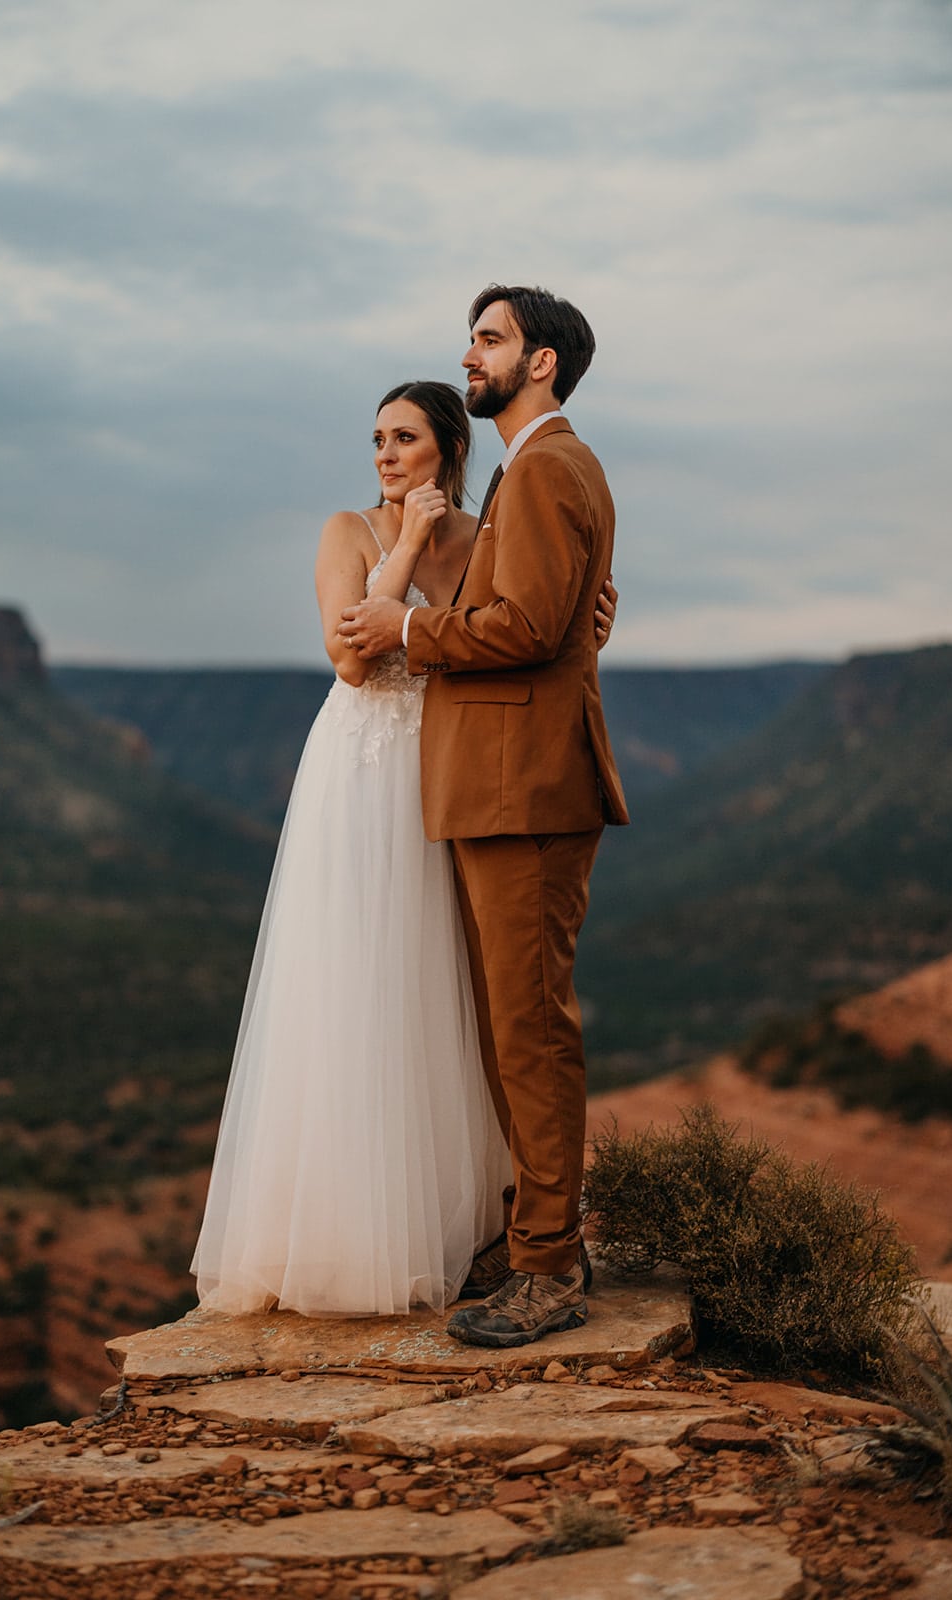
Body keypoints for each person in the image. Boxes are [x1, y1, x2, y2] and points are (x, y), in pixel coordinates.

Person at [192, 378, 618, 1319]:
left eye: (405, 439)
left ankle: (479, 1230)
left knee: (457, 1002)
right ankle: (350, 1234)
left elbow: (530, 622)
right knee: (356, 987)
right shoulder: (351, 530)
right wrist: (413, 540)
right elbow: (352, 655)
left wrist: (592, 611)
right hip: (361, 780)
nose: (384, 455)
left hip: (457, 778)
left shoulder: (491, 536)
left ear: (449, 453)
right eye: (377, 439)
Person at [340, 287, 629, 1348]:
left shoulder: (549, 465)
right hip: (496, 786)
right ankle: (533, 1234)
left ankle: (549, 1267)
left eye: (491, 338)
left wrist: (409, 629)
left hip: (526, 790)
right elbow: (561, 612)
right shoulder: (531, 469)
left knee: (528, 1027)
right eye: (474, 337)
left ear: (541, 362)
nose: (471, 353)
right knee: (506, 1027)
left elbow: (529, 625)